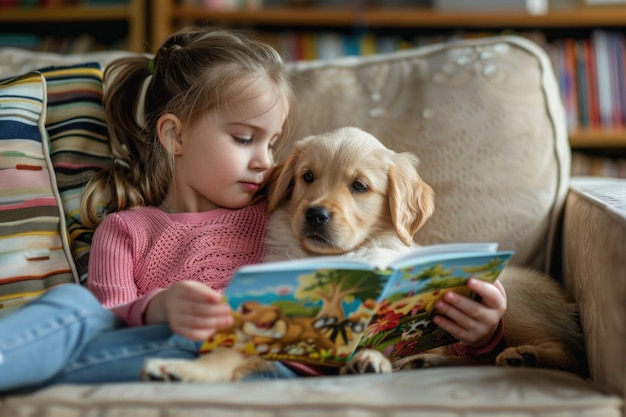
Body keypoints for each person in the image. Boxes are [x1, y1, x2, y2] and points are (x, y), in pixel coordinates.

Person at [0, 27, 507, 394]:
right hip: (157, 351)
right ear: (174, 136)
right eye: (244, 139)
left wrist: (482, 335)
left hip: (267, 362)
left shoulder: (282, 214)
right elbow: (105, 317)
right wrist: (156, 308)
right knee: (75, 308)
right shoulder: (126, 229)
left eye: (274, 142)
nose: (267, 161)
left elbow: (377, 297)